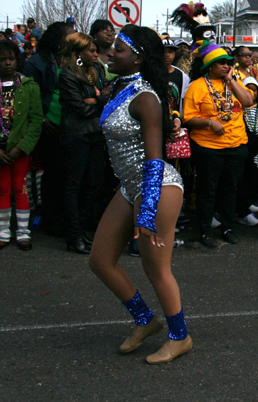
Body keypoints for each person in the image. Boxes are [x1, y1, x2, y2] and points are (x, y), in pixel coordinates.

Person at [88, 25, 192, 364]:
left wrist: (146, 213)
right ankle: (146, 320)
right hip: (131, 186)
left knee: (156, 269)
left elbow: (154, 160)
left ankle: (180, 336)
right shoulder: (120, 87)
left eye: (118, 48)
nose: (110, 53)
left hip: (157, 187)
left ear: (137, 57)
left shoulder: (146, 98)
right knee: (100, 260)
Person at [0, 41, 43, 251]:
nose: (7, 63)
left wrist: (21, 147)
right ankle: (2, 234)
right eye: (2, 60)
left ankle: (23, 234)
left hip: (20, 150)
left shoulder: (29, 86)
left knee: (21, 190)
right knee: (2, 190)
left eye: (11, 58)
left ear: (17, 60)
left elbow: (36, 120)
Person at [183, 42, 255, 247]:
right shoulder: (197, 86)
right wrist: (209, 122)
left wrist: (231, 80)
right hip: (208, 148)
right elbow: (188, 118)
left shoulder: (234, 81)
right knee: (207, 190)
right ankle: (205, 231)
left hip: (236, 146)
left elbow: (248, 101)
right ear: (209, 66)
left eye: (228, 63)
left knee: (230, 189)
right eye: (221, 63)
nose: (226, 66)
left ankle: (228, 227)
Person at [58, 33, 109, 254]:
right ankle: (74, 235)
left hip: (96, 134)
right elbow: (79, 108)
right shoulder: (67, 75)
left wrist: (95, 100)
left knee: (94, 183)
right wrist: (100, 102)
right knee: (73, 186)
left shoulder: (98, 70)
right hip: (76, 135)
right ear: (78, 54)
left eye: (96, 50)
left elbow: (111, 96)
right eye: (91, 51)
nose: (96, 54)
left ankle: (85, 229)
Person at [23, 22, 70, 237]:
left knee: (69, 175)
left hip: (71, 126)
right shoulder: (36, 62)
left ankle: (69, 218)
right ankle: (53, 220)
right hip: (48, 126)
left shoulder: (74, 60)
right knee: (52, 176)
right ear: (57, 38)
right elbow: (29, 97)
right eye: (69, 36)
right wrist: (41, 120)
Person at [232, 45, 258, 227]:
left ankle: (246, 203)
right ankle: (239, 209)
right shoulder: (234, 76)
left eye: (250, 55)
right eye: (244, 55)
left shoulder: (254, 74)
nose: (249, 58)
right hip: (239, 125)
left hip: (255, 125)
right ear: (236, 57)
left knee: (253, 167)